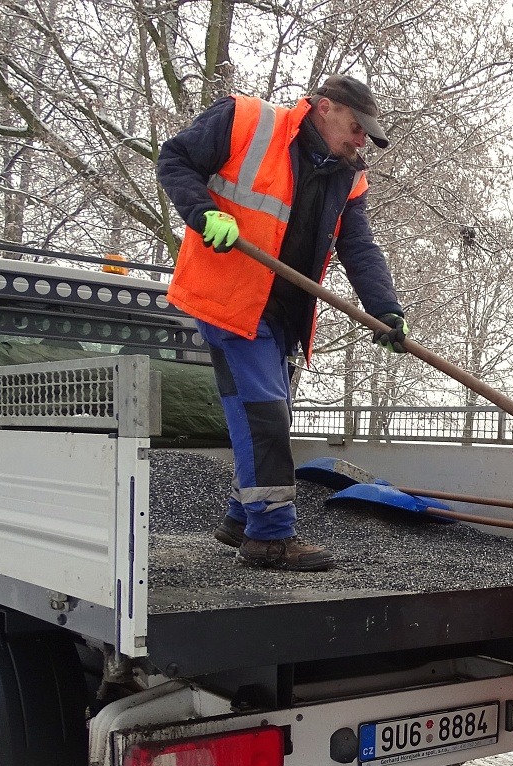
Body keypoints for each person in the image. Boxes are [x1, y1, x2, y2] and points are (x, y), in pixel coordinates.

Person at [157, 76, 410, 571]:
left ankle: (239, 519)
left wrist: (385, 310)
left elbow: (358, 247)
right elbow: (174, 160)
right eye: (357, 128)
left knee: (271, 418)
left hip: (285, 312)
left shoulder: (347, 176)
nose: (362, 140)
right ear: (323, 107)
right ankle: (268, 537)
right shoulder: (247, 121)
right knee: (264, 416)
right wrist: (204, 213)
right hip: (232, 299)